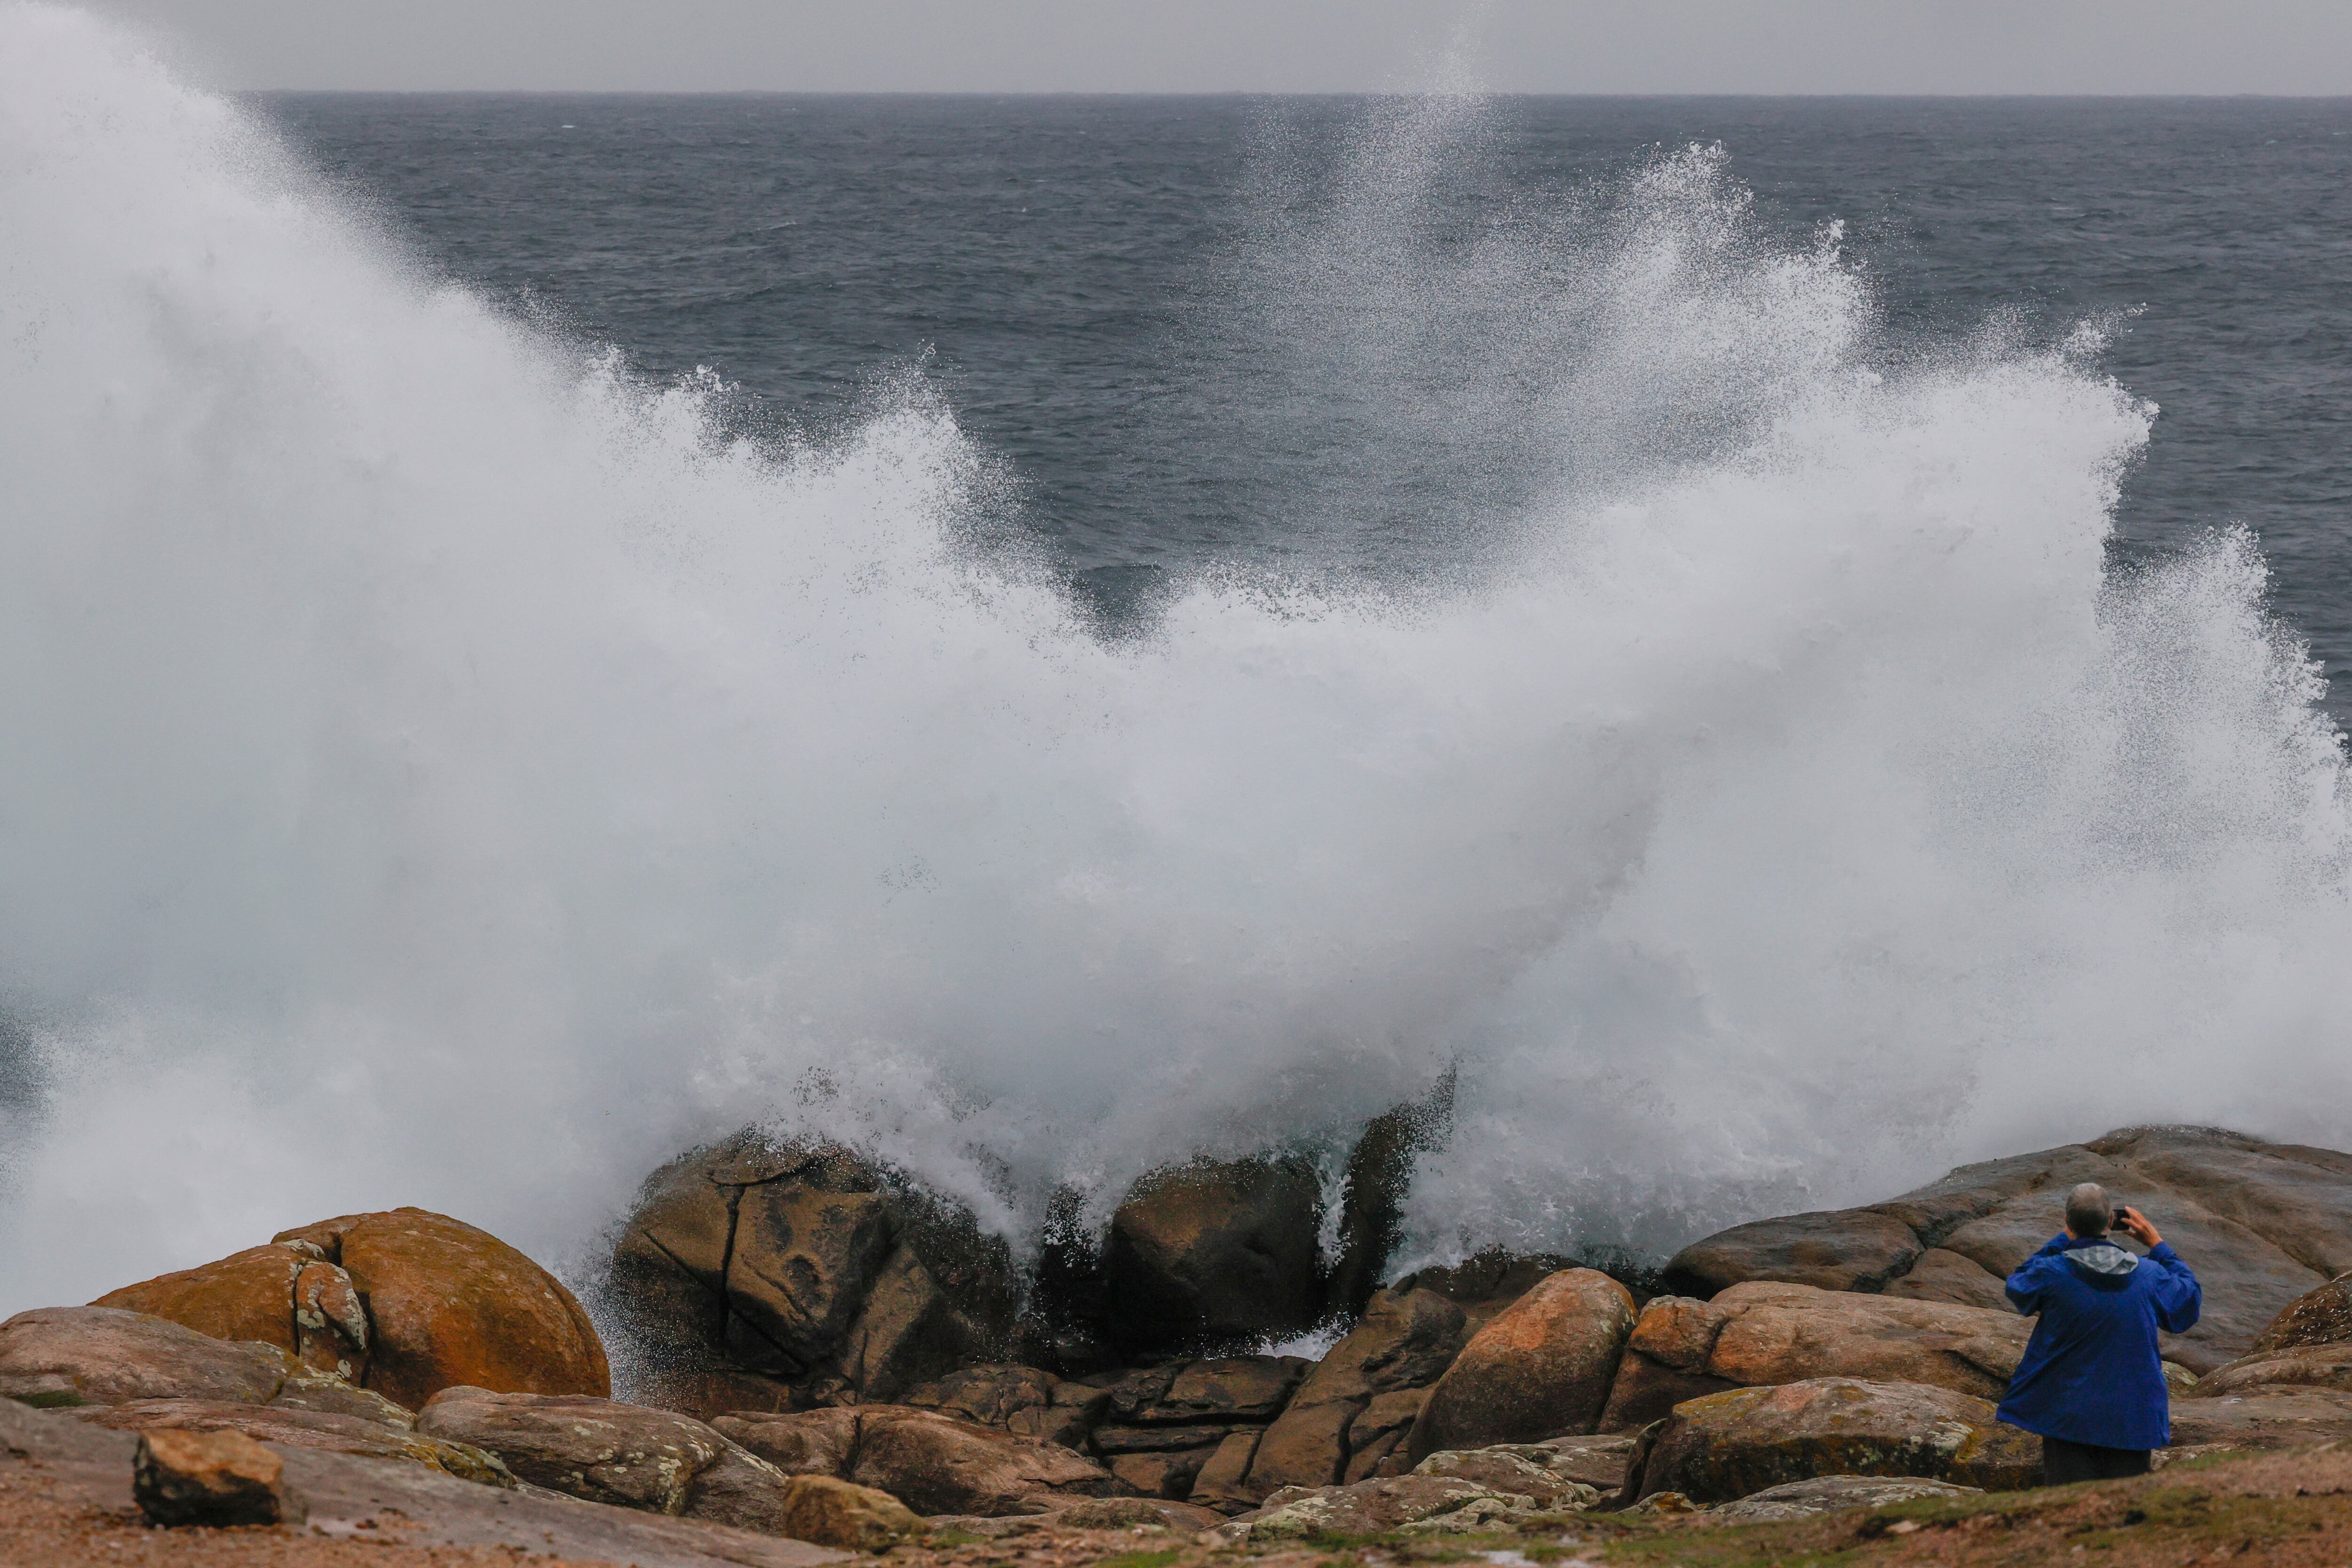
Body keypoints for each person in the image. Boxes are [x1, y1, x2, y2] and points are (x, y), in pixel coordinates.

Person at [1995, 1181, 2201, 1484]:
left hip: (2067, 1416)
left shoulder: (2052, 1272)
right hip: (2132, 1418)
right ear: (2110, 1222)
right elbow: (2188, 1302)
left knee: (2071, 1511)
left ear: (2068, 1223)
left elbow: (2019, 1284)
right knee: (2123, 1512)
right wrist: (2157, 1244)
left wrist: (2062, 1240)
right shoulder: (2150, 1275)